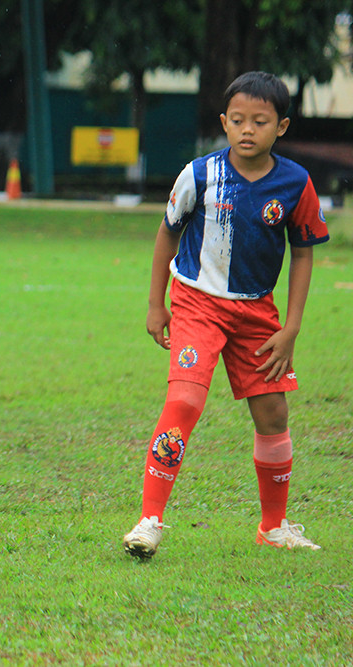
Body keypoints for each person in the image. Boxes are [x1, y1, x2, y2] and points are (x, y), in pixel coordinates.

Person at [122, 71, 330, 559]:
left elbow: (303, 253)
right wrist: (157, 304)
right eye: (237, 120)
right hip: (197, 303)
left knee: (274, 413)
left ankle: (274, 527)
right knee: (186, 403)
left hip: (258, 312)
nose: (247, 130)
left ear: (281, 126)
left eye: (260, 121)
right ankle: (149, 520)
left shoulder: (296, 183)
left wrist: (292, 328)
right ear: (224, 122)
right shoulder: (199, 174)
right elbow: (166, 234)